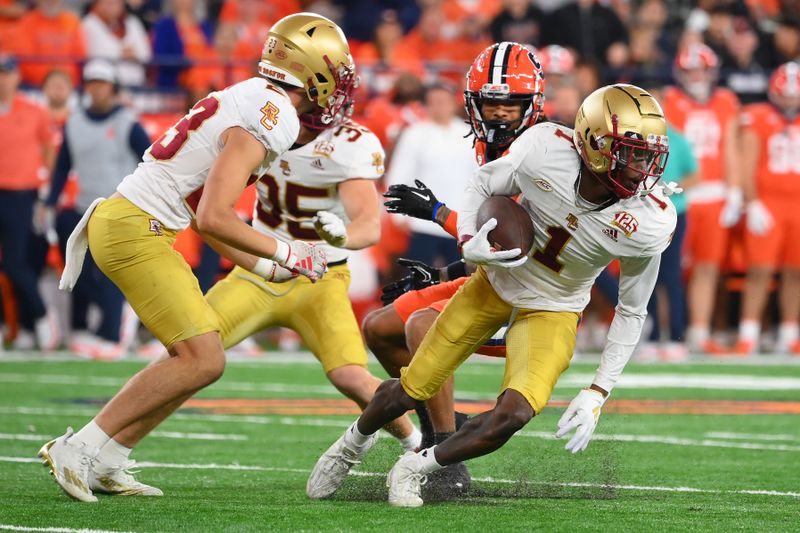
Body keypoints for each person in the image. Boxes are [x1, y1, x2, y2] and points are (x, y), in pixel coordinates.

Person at [309, 83, 676, 507]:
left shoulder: (648, 221)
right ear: (592, 142)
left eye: (649, 155)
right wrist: (468, 240)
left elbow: (631, 310)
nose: (642, 167)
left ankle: (417, 466)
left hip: (553, 309)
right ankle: (350, 445)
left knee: (514, 415)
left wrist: (598, 391)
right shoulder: (544, 149)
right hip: (494, 283)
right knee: (412, 387)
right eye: (631, 153)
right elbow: (483, 185)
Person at [38, 13, 345, 503]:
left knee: (198, 354)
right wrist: (290, 252)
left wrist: (269, 268)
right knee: (203, 358)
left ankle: (110, 457)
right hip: (135, 226)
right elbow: (215, 218)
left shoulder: (251, 95)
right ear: (315, 69)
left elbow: (203, 215)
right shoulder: (275, 114)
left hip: (136, 222)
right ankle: (81, 447)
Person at [74, 101, 424, 497]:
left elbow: (368, 223)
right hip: (258, 272)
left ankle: (416, 446)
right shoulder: (260, 127)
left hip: (319, 277)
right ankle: (113, 455)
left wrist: (343, 236)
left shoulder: (347, 143)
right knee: (188, 357)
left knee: (350, 376)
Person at [363, 41, 546, 495]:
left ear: (532, 105)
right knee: (381, 327)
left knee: (423, 326)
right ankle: (442, 423)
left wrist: (439, 213)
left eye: (511, 103)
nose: (500, 113)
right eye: (491, 102)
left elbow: (513, 241)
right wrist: (444, 277)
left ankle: (446, 455)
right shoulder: (489, 146)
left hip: (534, 297)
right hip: (494, 277)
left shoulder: (543, 153)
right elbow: (494, 242)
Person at [40, 59, 151, 360]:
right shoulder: (74, 122)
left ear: (112, 88)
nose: (97, 89)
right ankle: (100, 325)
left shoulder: (127, 122)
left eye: (102, 83)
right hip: (82, 207)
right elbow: (63, 166)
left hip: (118, 207)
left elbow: (152, 158)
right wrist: (49, 203)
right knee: (81, 272)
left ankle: (112, 333)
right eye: (92, 83)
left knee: (109, 271)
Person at [662, 42, 741, 354]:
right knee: (670, 267)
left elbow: (732, 149)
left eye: (701, 69)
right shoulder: (670, 101)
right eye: (690, 70)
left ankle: (698, 330)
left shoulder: (726, 101)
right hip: (681, 194)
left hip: (714, 194)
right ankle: (665, 331)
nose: (696, 76)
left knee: (708, 267)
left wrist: (734, 191)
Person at [726, 62, 800, 355]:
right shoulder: (758, 116)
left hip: (797, 204)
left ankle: (789, 333)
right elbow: (748, 161)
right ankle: (748, 333)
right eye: (787, 95)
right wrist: (752, 201)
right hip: (769, 201)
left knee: (796, 271)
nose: (791, 101)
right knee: (760, 270)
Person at [385, 81, 479, 267]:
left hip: (458, 222)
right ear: (427, 105)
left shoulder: (469, 134)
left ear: (454, 103)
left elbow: (478, 177)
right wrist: (398, 215)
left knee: (459, 283)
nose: (439, 106)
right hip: (422, 222)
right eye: (434, 101)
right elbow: (399, 174)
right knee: (417, 280)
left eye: (443, 101)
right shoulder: (414, 134)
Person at [0, 55, 59, 351]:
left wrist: (46, 187)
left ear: (16, 77)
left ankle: (40, 318)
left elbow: (48, 147)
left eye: (6, 74)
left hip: (21, 194)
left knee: (15, 263)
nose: (2, 80)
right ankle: (15, 328)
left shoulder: (33, 111)